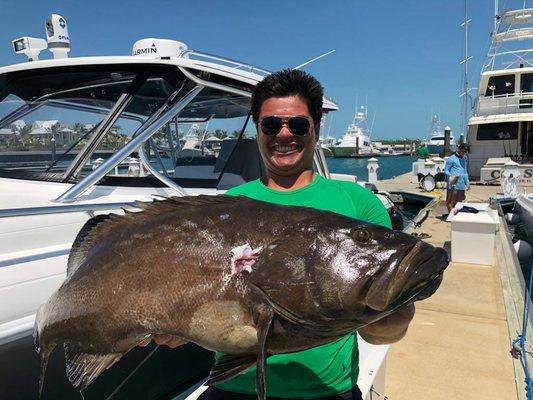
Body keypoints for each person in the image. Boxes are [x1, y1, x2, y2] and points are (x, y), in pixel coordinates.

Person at [145, 69, 415, 399]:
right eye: (271, 124)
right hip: (233, 388)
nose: (284, 134)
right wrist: (175, 325)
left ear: (315, 128)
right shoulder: (228, 206)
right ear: (258, 130)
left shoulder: (359, 204)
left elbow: (380, 334)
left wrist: (394, 309)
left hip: (327, 392)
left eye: (298, 124)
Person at [444, 143, 470, 213]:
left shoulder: (464, 159)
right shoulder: (451, 159)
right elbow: (446, 170)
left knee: (460, 201)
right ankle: (450, 215)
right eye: (463, 151)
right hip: (453, 184)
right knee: (450, 201)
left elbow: (465, 172)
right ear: (459, 149)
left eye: (465, 152)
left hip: (461, 185)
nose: (464, 153)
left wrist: (467, 182)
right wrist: (452, 176)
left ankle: (455, 215)